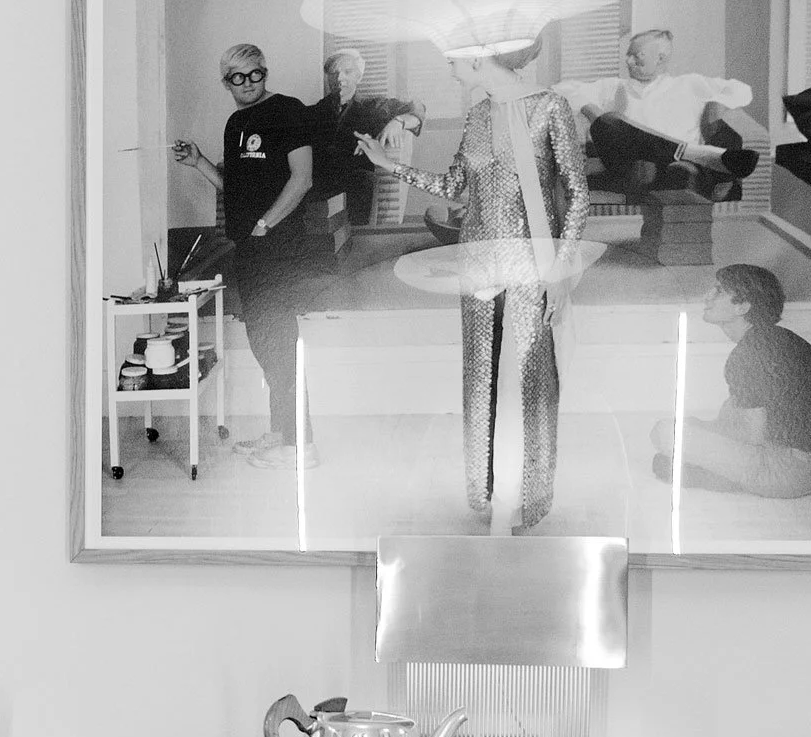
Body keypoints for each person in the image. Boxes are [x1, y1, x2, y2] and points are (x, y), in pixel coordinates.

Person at [363, 39, 587, 530]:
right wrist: (390, 165)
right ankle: (488, 495)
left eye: (453, 60)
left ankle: (526, 498)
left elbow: (576, 196)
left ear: (481, 58)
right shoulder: (479, 116)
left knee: (526, 381)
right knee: (482, 377)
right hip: (479, 268)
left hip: (532, 269)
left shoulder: (550, 108)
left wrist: (560, 272)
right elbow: (454, 186)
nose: (450, 68)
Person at [172, 45, 320, 466]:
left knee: (281, 344)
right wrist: (199, 162)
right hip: (250, 249)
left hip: (278, 248)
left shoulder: (288, 111)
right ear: (226, 82)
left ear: (264, 73)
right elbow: (232, 189)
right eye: (238, 77)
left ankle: (301, 446)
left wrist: (265, 224)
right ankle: (282, 433)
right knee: (265, 344)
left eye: (256, 73)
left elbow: (303, 178)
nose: (249, 82)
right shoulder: (235, 122)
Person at [652, 263, 811, 497]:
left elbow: (752, 438)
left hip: (792, 472)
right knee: (724, 409)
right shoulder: (778, 338)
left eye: (720, 291)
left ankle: (718, 477)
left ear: (743, 307)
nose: (708, 296)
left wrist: (700, 442)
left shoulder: (746, 356)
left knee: (663, 433)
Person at [569, 27, 759, 208]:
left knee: (679, 173)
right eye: (628, 55)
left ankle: (683, 155)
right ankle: (689, 151)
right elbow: (564, 90)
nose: (628, 61)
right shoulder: (614, 87)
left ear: (660, 58)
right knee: (609, 124)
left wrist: (715, 105)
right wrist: (590, 109)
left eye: (636, 55)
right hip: (634, 166)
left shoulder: (689, 84)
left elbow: (742, 89)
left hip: (676, 168)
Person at [306, 47, 424, 228]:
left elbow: (417, 108)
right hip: (319, 184)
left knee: (362, 181)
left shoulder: (373, 107)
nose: (339, 79)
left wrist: (398, 121)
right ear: (328, 77)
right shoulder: (313, 112)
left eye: (347, 72)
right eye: (334, 73)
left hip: (355, 184)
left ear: (358, 77)